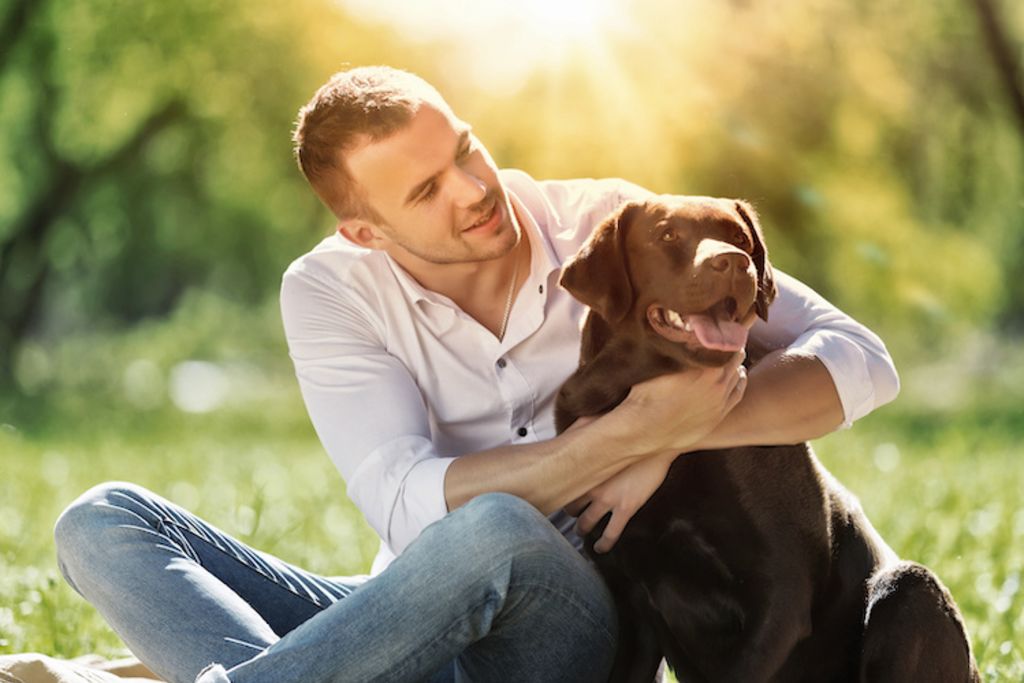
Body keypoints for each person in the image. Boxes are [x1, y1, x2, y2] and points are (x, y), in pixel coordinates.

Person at [53, 66, 900, 683]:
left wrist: (687, 425)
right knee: (100, 521)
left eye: (464, 149)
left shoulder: (613, 232)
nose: (471, 189)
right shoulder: (328, 291)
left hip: (568, 623)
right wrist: (622, 438)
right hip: (407, 610)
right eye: (426, 190)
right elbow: (403, 499)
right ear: (366, 233)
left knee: (496, 526)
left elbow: (861, 359)